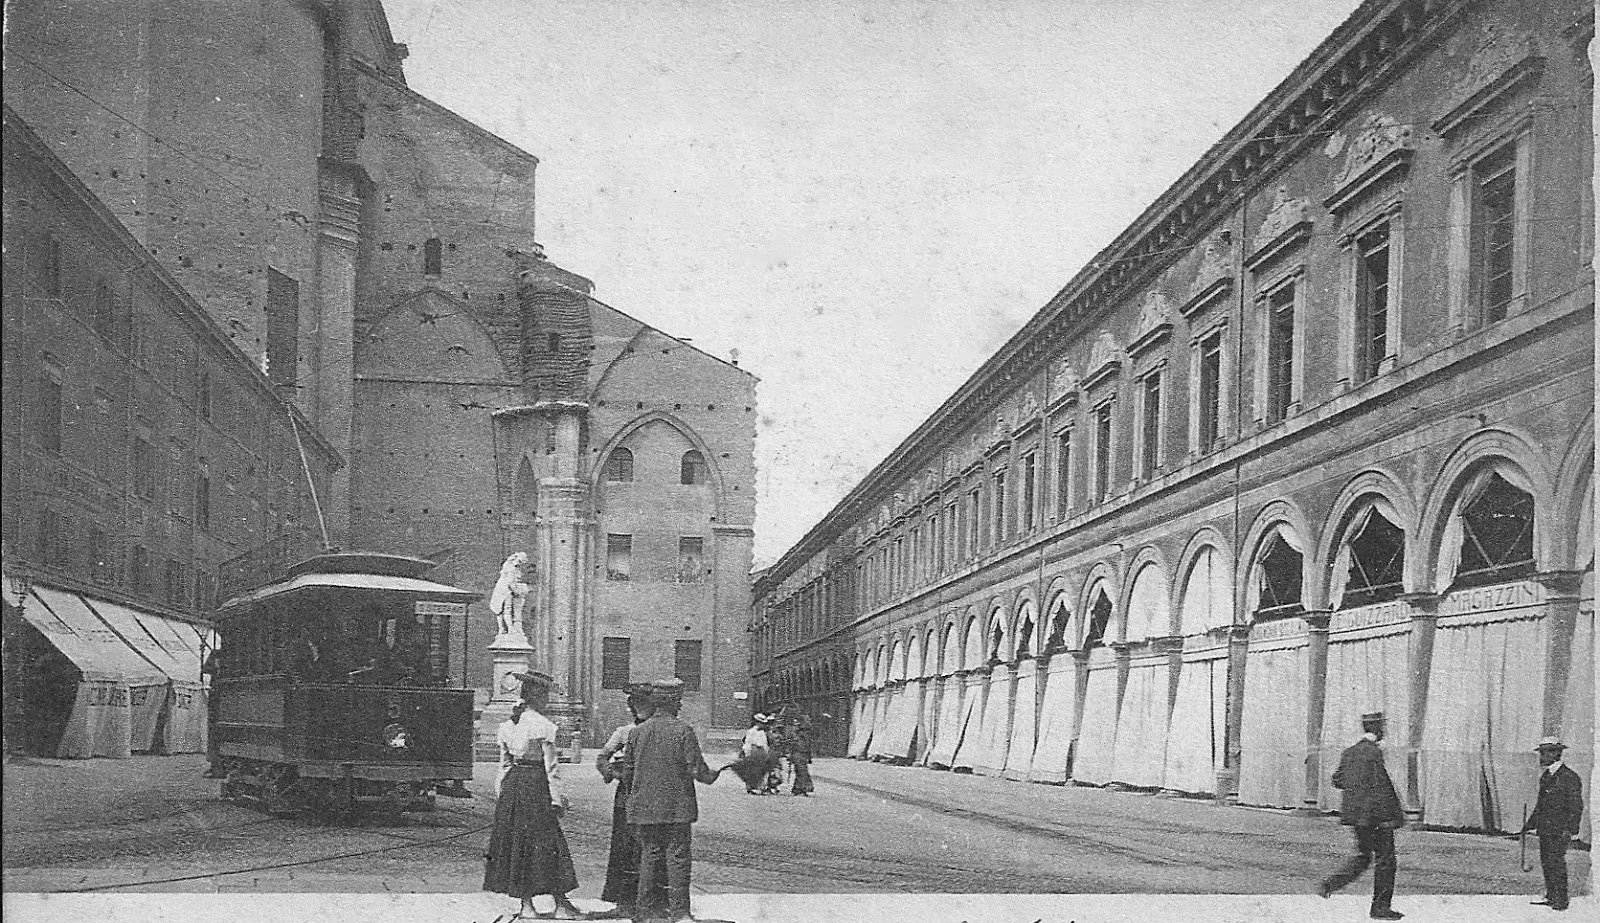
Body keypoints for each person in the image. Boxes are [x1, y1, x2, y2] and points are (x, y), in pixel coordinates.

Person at [483, 670, 583, 921]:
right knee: (550, 844)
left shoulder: (507, 725)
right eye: (546, 696)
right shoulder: (545, 726)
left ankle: (527, 906)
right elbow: (551, 769)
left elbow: (504, 766)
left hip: (514, 787)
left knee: (519, 846)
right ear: (538, 697)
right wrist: (557, 799)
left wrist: (503, 796)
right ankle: (560, 904)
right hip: (536, 786)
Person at [624, 677, 724, 923]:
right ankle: (680, 914)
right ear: (672, 703)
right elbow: (697, 770)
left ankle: (644, 913)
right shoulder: (683, 731)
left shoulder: (637, 732)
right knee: (678, 858)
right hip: (677, 809)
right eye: (678, 701)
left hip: (645, 808)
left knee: (649, 856)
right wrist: (714, 774)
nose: (680, 706)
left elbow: (627, 772)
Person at [1318, 711, 1405, 920]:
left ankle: (1330, 884)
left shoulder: (1350, 752)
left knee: (1364, 856)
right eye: (1382, 727)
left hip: (1355, 816)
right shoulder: (1373, 752)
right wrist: (1393, 816)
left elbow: (1337, 780)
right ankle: (1380, 908)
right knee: (1385, 860)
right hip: (1375, 816)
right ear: (1377, 729)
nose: (1384, 730)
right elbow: (1382, 786)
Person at [596, 683, 666, 918]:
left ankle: (654, 901)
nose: (639, 709)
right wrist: (614, 774)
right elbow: (602, 758)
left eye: (644, 704)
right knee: (624, 847)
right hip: (626, 798)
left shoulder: (660, 730)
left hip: (653, 797)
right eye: (635, 705)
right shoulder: (623, 732)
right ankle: (624, 900)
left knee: (652, 848)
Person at [1520, 736, 1584, 911]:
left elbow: (1576, 806)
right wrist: (1529, 825)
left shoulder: (1569, 777)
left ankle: (1561, 900)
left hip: (1560, 830)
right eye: (1541, 752)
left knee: (1556, 862)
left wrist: (1571, 830)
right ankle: (1551, 895)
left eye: (1544, 752)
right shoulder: (1546, 776)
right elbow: (1540, 805)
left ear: (1556, 753)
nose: (1541, 756)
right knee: (1547, 862)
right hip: (1546, 829)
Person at [727, 713, 777, 794]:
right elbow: (748, 744)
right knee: (753, 769)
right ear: (757, 723)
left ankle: (760, 787)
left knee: (761, 770)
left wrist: (766, 752)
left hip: (761, 752)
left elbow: (765, 744)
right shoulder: (751, 732)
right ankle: (752, 787)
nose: (763, 725)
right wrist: (747, 754)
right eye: (761, 723)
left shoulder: (762, 732)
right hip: (754, 751)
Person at [789, 719, 815, 797]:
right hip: (798, 754)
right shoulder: (795, 737)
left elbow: (808, 748)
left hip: (803, 755)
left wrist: (809, 757)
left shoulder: (806, 738)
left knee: (802, 772)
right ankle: (799, 789)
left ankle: (798, 788)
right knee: (801, 772)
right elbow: (792, 747)